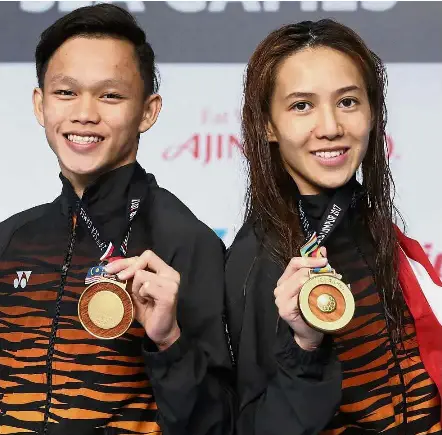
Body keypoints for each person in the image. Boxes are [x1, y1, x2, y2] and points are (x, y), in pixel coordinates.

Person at [0, 4, 233, 435]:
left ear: (148, 110)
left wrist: (168, 341)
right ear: (40, 104)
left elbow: (219, 426)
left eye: (110, 95)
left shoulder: (187, 241)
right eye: (66, 92)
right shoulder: (11, 239)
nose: (84, 113)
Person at [225, 19, 442, 434]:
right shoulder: (256, 261)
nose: (330, 128)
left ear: (372, 112)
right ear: (267, 125)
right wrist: (305, 347)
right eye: (301, 106)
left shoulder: (375, 226)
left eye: (347, 102)